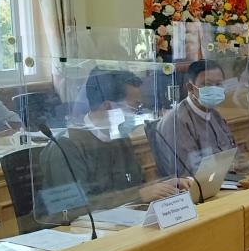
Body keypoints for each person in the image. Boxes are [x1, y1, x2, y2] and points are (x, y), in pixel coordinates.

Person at [37, 70, 181, 217]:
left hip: (119, 220)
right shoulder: (66, 146)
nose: (138, 113)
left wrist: (162, 186)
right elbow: (75, 208)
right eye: (135, 107)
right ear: (108, 106)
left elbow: (134, 185)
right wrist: (139, 195)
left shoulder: (119, 138)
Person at [147, 60, 242, 181]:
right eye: (206, 84)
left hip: (225, 179)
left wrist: (241, 165)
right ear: (190, 88)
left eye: (218, 84)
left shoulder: (215, 115)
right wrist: (230, 167)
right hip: (197, 185)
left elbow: (234, 154)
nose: (214, 89)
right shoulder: (176, 121)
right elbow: (188, 171)